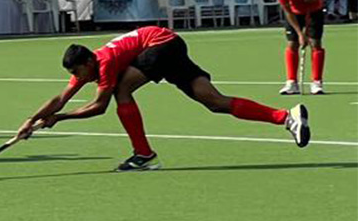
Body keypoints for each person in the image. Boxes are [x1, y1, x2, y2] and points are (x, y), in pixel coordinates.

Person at [16, 27, 310, 172]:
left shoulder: (104, 65)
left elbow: (99, 107)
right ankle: (287, 117)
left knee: (121, 90)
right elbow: (61, 97)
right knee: (214, 101)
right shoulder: (89, 66)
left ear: (89, 62)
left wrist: (60, 118)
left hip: (160, 45)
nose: (78, 78)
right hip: (170, 45)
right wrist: (32, 119)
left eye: (78, 72)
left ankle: (143, 155)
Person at [275, 0, 329, 95]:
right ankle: (292, 82)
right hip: (294, 14)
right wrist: (300, 34)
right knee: (293, 44)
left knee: (315, 44)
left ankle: (317, 82)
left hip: (314, 11)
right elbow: (287, 11)